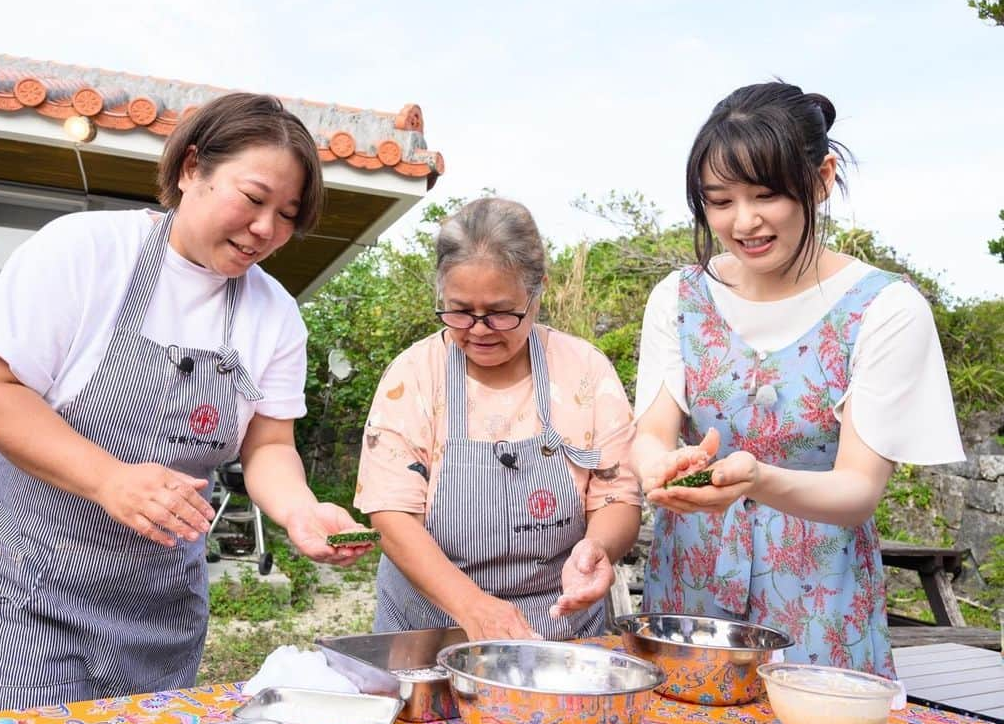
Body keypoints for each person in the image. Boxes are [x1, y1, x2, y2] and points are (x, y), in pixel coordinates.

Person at [0, 93, 373, 714]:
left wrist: (300, 510)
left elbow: (269, 444)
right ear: (191, 168)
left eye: (287, 216)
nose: (266, 230)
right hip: (30, 586)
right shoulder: (85, 251)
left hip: (160, 604)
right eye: (254, 199)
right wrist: (109, 479)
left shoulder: (274, 312)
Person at [630, 82, 964, 678]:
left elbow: (857, 490)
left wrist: (757, 478)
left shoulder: (884, 308)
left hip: (818, 611)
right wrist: (654, 465)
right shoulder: (678, 298)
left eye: (766, 194)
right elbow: (652, 429)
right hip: (690, 603)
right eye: (720, 200)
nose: (744, 221)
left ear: (822, 178)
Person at [355, 197, 642, 641]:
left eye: (501, 312)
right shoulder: (413, 375)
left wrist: (597, 548)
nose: (480, 329)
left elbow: (617, 495)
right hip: (431, 629)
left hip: (556, 627)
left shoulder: (584, 370)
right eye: (460, 310)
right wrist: (473, 608)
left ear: (538, 291)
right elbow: (392, 516)